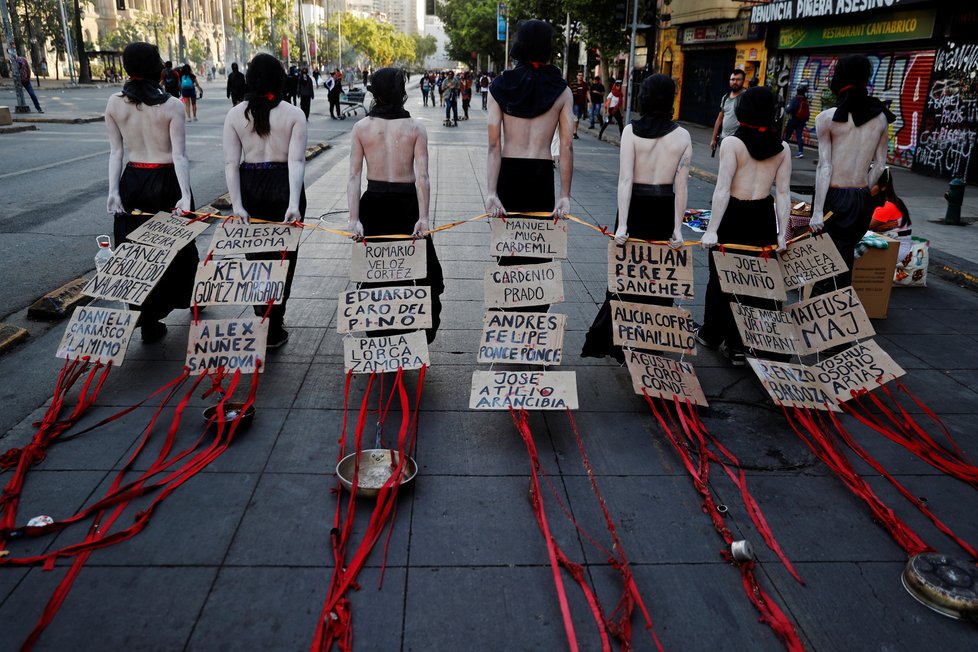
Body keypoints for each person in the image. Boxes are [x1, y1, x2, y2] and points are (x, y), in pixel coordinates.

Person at [581, 75, 691, 361]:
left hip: (635, 208)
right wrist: (678, 229)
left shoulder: (630, 131)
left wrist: (624, 225)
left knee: (626, 276)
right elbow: (681, 186)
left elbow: (626, 180)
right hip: (664, 208)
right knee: (658, 278)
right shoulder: (682, 136)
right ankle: (651, 341)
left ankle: (621, 338)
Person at [105, 43, 197, 343]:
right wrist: (185, 196)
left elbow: (116, 152)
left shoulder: (114, 104)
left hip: (133, 179)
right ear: (158, 70)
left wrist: (114, 191)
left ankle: (147, 321)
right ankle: (187, 299)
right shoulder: (171, 106)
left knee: (136, 253)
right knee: (178, 250)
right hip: (167, 180)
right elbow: (180, 156)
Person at [347, 68, 443, 343]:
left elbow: (354, 176)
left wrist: (354, 218)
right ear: (401, 93)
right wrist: (423, 218)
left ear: (375, 94)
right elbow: (422, 177)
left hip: (374, 205)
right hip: (407, 206)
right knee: (413, 271)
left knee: (377, 273)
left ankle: (381, 331)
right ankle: (411, 331)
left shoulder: (362, 128)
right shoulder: (415, 128)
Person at [697, 87, 791, 366]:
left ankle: (714, 334)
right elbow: (783, 194)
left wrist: (712, 228)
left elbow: (722, 190)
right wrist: (782, 233)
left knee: (722, 278)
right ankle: (746, 343)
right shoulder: (782, 147)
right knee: (758, 280)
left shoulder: (732, 144)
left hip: (734, 215)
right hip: (762, 215)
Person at [487, 19, 573, 312]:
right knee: (538, 250)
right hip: (539, 175)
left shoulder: (499, 86)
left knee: (509, 249)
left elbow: (494, 145)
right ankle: (535, 323)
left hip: (509, 175)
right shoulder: (561, 90)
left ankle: (510, 317)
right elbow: (566, 146)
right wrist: (564, 196)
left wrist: (490, 192)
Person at [223, 53, 308, 349]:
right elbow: (297, 161)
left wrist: (237, 205)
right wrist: (294, 203)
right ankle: (275, 321)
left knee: (257, 258)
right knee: (285, 258)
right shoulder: (293, 114)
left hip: (250, 188)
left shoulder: (235, 115)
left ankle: (264, 315)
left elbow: (231, 165)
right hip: (284, 186)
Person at [810, 54, 893, 293]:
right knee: (845, 258)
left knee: (827, 261)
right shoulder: (880, 118)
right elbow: (880, 165)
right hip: (860, 195)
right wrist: (863, 188)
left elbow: (824, 166)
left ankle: (824, 313)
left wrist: (817, 211)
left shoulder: (826, 118)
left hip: (834, 196)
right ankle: (839, 312)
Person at [710, 69, 746, 154]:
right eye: (733, 79)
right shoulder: (725, 97)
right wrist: (713, 139)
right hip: (723, 139)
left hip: (738, 140)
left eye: (738, 80)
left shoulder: (746, 97)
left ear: (743, 81)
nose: (735, 82)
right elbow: (719, 119)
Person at [783, 84, 810, 159]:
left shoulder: (795, 99)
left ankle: (784, 150)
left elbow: (789, 109)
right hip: (801, 121)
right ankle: (800, 152)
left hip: (793, 119)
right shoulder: (805, 100)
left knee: (787, 135)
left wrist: (786, 110)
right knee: (799, 136)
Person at [568, 71, 589, 139]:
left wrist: (590, 101)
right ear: (577, 76)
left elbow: (587, 93)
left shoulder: (585, 85)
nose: (580, 76)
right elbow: (568, 92)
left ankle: (574, 131)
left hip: (582, 104)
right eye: (579, 75)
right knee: (576, 118)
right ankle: (574, 132)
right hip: (575, 103)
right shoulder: (573, 84)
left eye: (582, 75)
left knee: (578, 118)